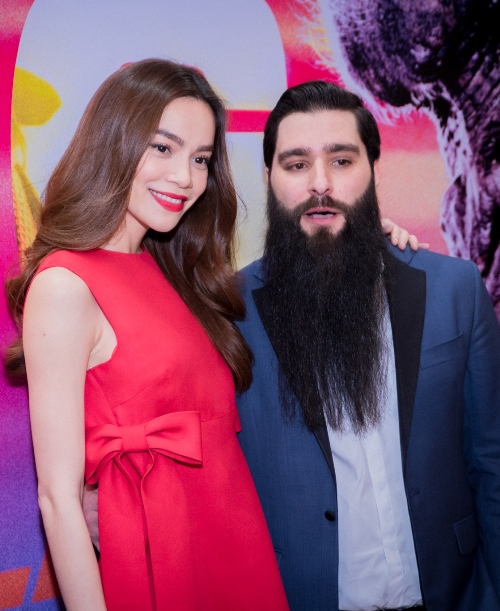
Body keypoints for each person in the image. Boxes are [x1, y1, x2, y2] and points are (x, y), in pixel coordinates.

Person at [4, 59, 290, 611]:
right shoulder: (65, 285)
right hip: (162, 562)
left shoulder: (176, 272)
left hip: (235, 545)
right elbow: (59, 501)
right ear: (114, 141)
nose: (185, 177)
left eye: (200, 159)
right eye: (163, 148)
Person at [235, 80, 500, 611]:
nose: (320, 183)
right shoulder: (227, 311)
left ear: (373, 169)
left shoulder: (454, 288)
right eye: (296, 164)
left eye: (341, 160)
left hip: (453, 594)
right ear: (268, 178)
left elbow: (491, 463)